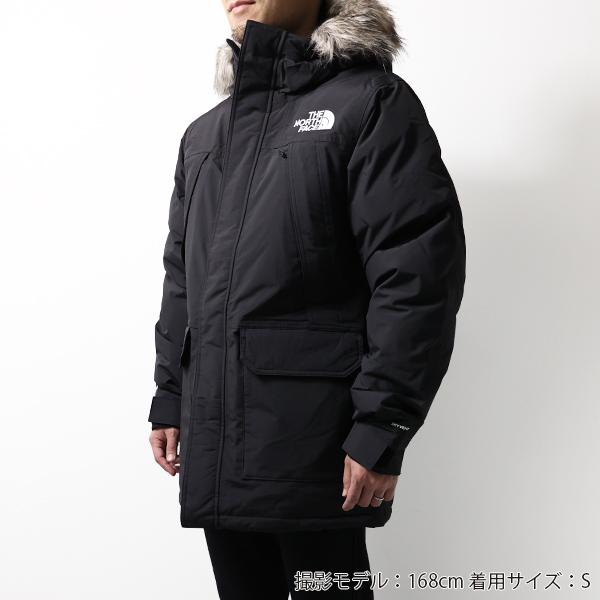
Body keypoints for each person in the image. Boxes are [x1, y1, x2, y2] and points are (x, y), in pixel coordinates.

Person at [148, 0, 466, 597]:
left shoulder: (370, 104)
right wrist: (170, 395)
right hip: (216, 436)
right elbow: (182, 277)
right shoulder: (205, 135)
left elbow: (416, 275)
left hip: (318, 443)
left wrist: (383, 426)